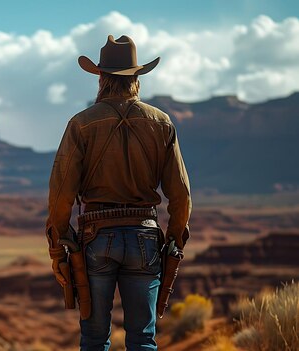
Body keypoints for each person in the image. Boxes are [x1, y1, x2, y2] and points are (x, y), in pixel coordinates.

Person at [45, 35, 192, 351]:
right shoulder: (161, 123)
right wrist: (173, 241)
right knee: (142, 339)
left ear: (100, 76)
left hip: (96, 238)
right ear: (136, 77)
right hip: (145, 238)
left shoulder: (81, 124)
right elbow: (180, 196)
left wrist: (59, 245)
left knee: (95, 339)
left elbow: (60, 195)